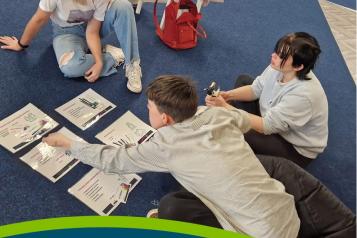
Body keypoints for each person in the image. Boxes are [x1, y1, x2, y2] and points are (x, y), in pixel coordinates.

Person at [43, 75, 300, 237]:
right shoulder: (217, 113)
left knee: (171, 206)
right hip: (286, 211)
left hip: (256, 233)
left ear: (164, 118)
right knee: (175, 201)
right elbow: (244, 123)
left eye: (149, 108)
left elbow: (113, 160)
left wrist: (69, 144)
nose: (147, 111)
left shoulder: (165, 145)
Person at [206, 32, 328, 168]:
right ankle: (243, 128)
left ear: (298, 66)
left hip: (293, 148)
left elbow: (266, 127)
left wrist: (225, 107)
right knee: (243, 80)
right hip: (273, 120)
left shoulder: (304, 96)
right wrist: (228, 96)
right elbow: (255, 89)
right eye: (276, 51)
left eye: (281, 56)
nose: (273, 56)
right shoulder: (280, 67)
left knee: (234, 125)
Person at [0, 0, 143, 93]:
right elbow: (38, 20)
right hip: (66, 32)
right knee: (70, 67)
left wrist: (99, 63)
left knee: (123, 5)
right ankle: (112, 55)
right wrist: (20, 44)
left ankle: (132, 63)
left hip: (93, 28)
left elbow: (92, 31)